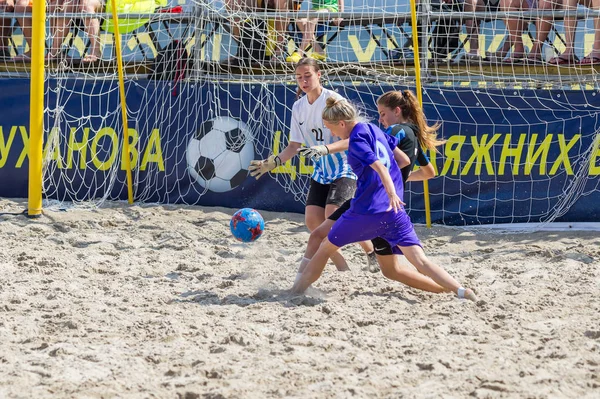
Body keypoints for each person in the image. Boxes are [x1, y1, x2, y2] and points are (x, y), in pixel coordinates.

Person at [290, 96, 478, 302]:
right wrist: (392, 187)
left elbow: (379, 166)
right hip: (394, 213)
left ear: (342, 123)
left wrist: (389, 190)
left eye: (331, 129)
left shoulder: (359, 141)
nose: (332, 134)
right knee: (417, 262)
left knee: (324, 247)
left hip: (367, 211)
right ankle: (461, 291)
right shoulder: (374, 130)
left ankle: (295, 292)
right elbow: (403, 160)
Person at [249, 57, 375, 271]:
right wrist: (272, 163)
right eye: (299, 77)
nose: (303, 81)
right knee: (313, 222)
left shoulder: (334, 100)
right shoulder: (298, 107)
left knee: (333, 216)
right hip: (321, 171)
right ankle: (343, 266)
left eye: (308, 75)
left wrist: (325, 149)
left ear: (319, 75)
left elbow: (356, 137)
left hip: (344, 166)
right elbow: (293, 146)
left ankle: (371, 251)